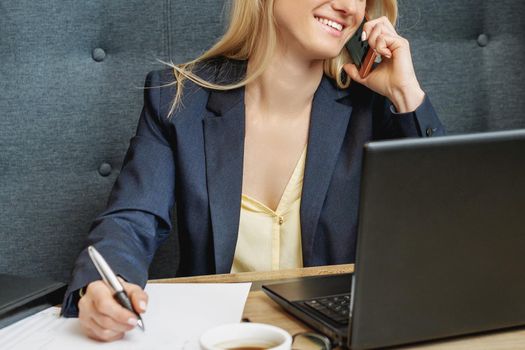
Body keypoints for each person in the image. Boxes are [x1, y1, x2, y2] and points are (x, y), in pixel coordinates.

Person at [61, 0, 445, 342]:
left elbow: (445, 228)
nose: (348, 6)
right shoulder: (177, 98)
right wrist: (101, 286)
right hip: (217, 335)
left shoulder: (376, 108)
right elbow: (131, 220)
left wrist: (405, 95)